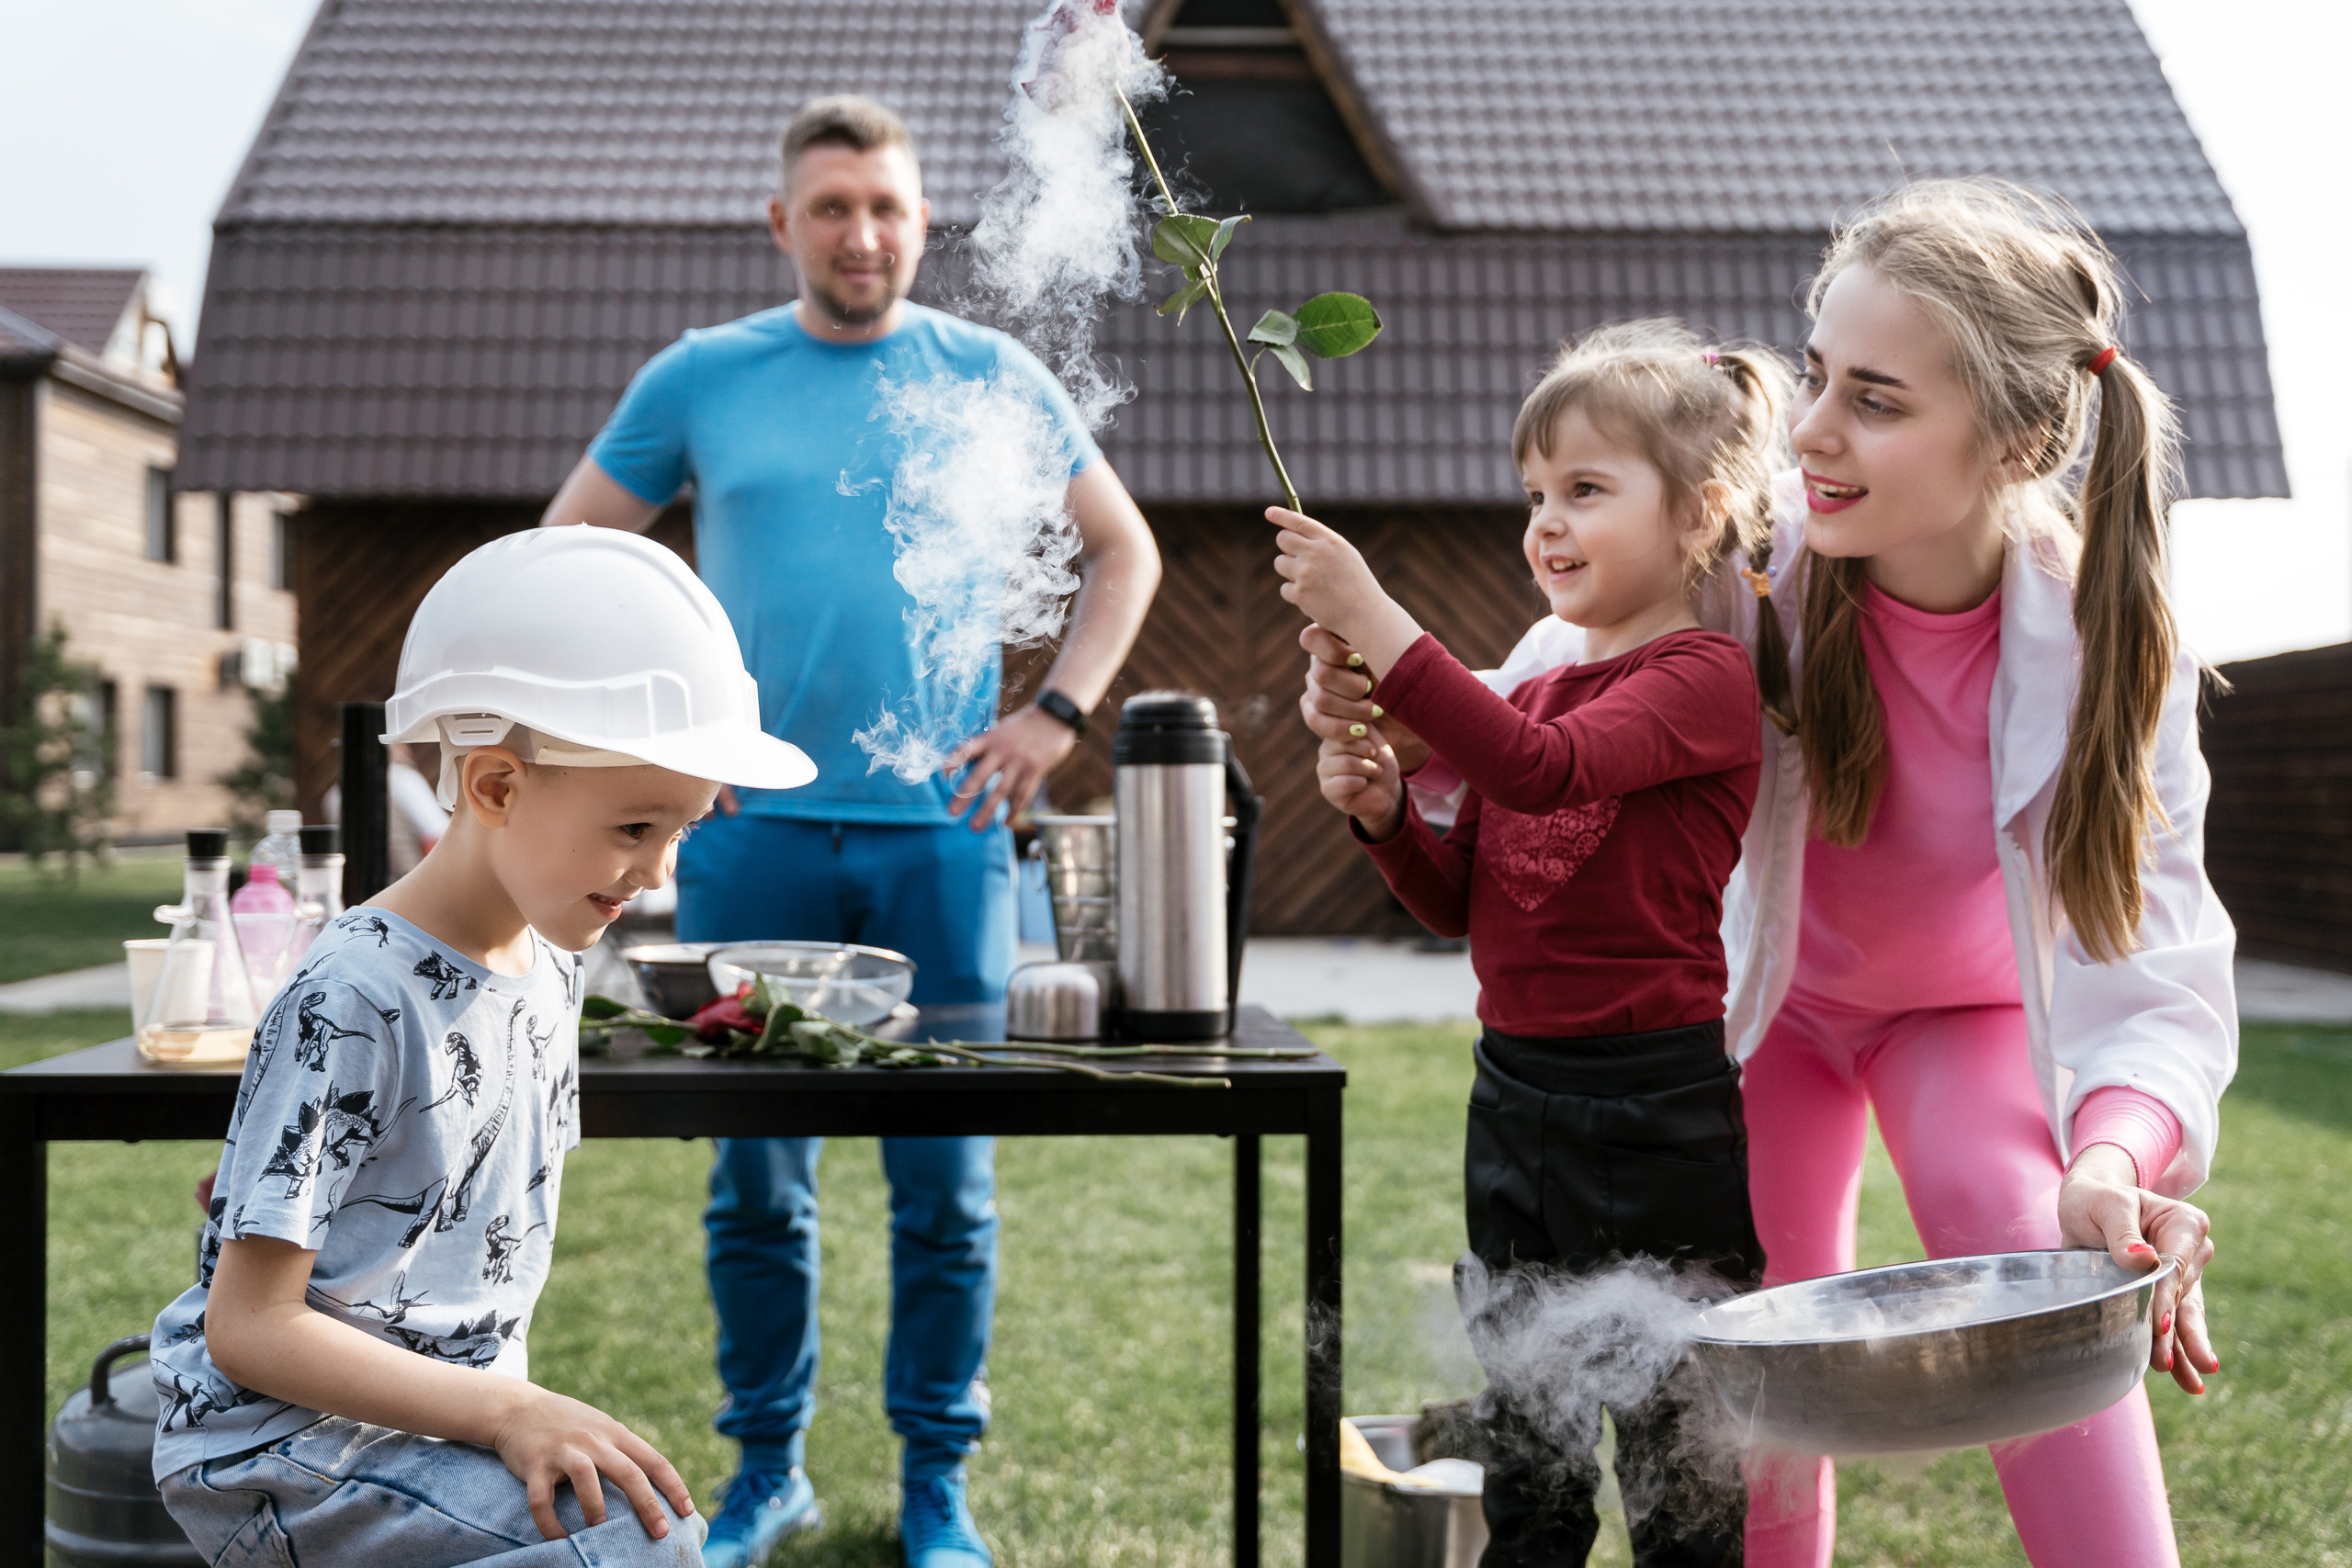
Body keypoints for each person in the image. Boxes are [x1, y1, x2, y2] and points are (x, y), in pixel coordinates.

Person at [1299, 180, 2230, 1567]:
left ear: (2020, 434)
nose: (1809, 431)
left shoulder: (2107, 642)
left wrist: (2117, 1158)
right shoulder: (1752, 569)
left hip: (1960, 1018)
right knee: (1752, 1316)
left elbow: (2157, 962)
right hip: (1774, 1011)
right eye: (1815, 377)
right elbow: (1555, 692)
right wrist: (1395, 726)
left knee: (2030, 1226)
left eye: (1875, 398)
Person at [539, 95, 1160, 1568]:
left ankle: (938, 1483)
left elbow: (1125, 549)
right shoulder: (705, 377)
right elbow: (564, 559)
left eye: (885, 206)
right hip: (751, 840)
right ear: (782, 224)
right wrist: (660, 744)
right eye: (831, 207)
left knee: (945, 1185)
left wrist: (1054, 718)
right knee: (758, 1179)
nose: (861, 233)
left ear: (922, 219)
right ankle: (768, 1472)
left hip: (940, 839)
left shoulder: (993, 375)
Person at [149, 526, 815, 1566]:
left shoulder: (547, 959)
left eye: (681, 831)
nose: (658, 871)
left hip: (436, 1419)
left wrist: (506, 1405)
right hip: (279, 1438)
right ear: (498, 788)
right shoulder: (356, 989)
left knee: (632, 1530)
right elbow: (250, 1329)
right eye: (635, 828)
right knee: (641, 1545)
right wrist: (509, 1417)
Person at [1279, 321, 1791, 1566]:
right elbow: (1464, 900)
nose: (1544, 524)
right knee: (1528, 1449)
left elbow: (1541, 770)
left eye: (1586, 490)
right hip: (1514, 1102)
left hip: (1652, 1113)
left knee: (1675, 1465)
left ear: (1698, 511)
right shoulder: (1539, 686)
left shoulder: (1704, 678)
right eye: (1534, 495)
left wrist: (1380, 626)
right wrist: (1389, 813)